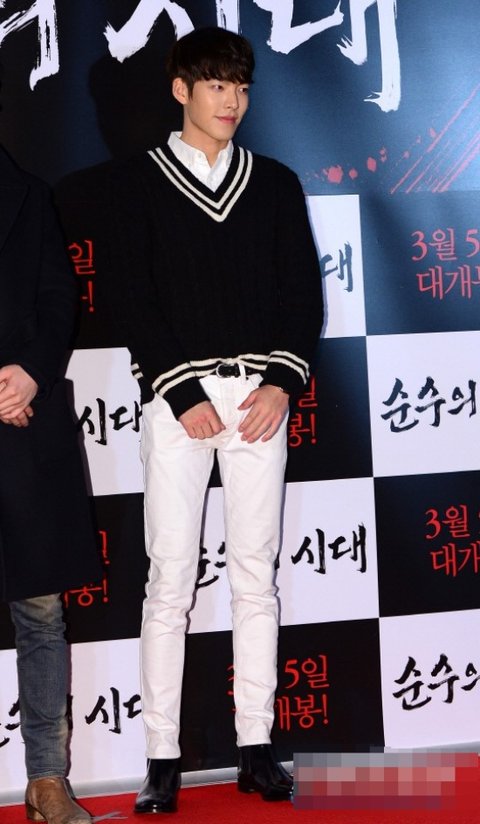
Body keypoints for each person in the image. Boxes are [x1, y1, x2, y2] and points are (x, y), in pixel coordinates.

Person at [109, 26, 323, 814]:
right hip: (179, 406)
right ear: (181, 89)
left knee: (255, 576)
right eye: (216, 85)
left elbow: (303, 295)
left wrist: (280, 383)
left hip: (258, 401)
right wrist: (182, 394)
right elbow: (132, 296)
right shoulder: (139, 181)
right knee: (169, 580)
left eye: (240, 86)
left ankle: (256, 749)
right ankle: (161, 758)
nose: (231, 100)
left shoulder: (275, 182)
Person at [0, 142, 101, 823]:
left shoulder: (28, 193)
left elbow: (59, 296)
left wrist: (31, 373)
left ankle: (46, 779)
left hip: (24, 423)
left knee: (40, 613)